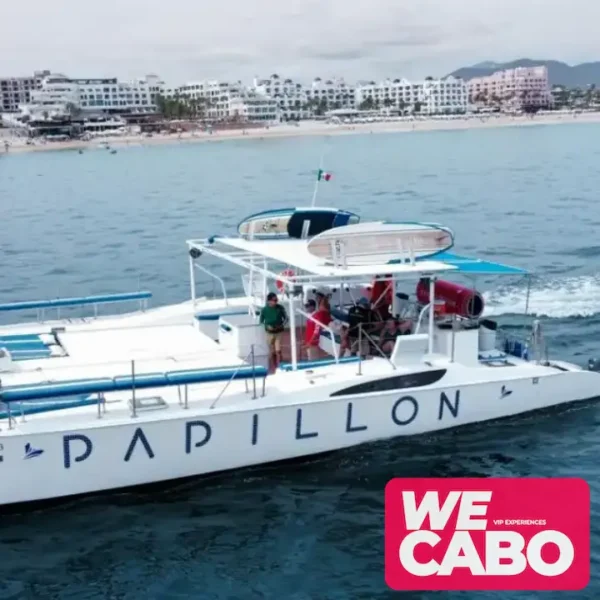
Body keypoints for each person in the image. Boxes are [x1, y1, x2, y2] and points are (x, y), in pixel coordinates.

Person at [259, 292, 287, 371]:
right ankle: (274, 366)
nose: (276, 302)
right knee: (272, 350)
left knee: (278, 350)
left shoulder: (280, 308)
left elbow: (286, 318)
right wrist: (267, 326)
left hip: (279, 331)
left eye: (276, 300)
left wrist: (280, 325)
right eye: (274, 300)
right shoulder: (264, 310)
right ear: (269, 301)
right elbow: (261, 322)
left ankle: (281, 364)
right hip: (269, 332)